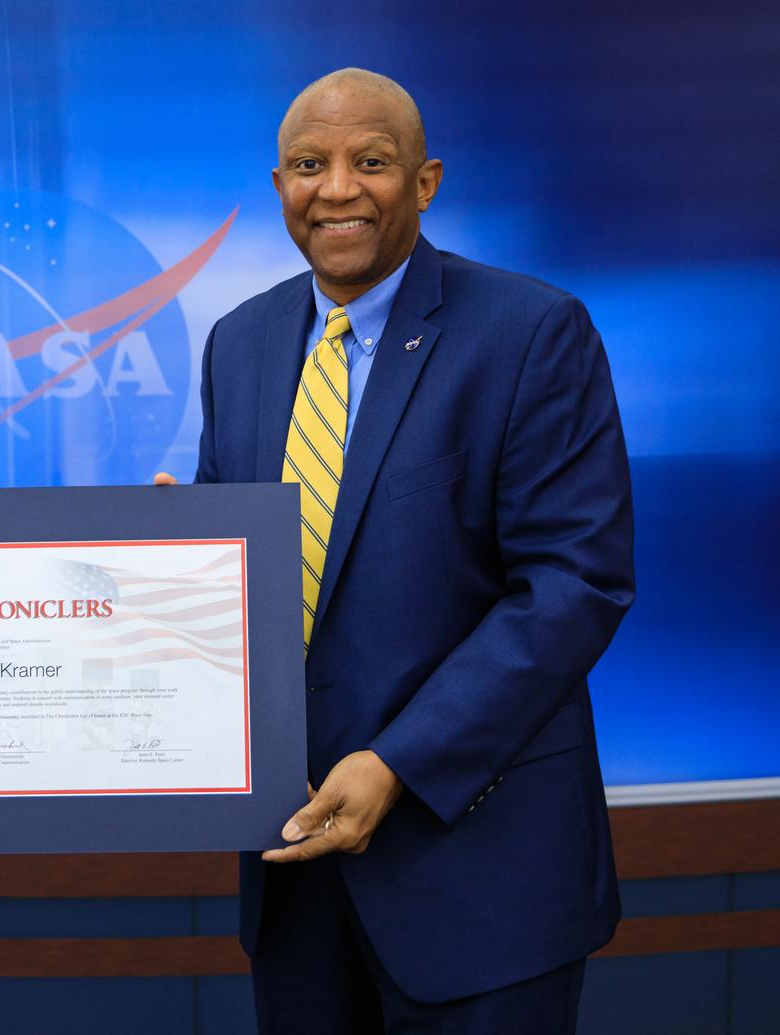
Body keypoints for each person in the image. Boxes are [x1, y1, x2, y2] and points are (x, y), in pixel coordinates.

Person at [190, 69, 634, 1032]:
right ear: (279, 188)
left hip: (481, 878)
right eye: (311, 165)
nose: (338, 189)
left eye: (372, 162)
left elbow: (574, 582)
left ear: (425, 182)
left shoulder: (530, 332)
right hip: (295, 875)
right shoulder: (240, 341)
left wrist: (398, 760)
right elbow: (230, 565)